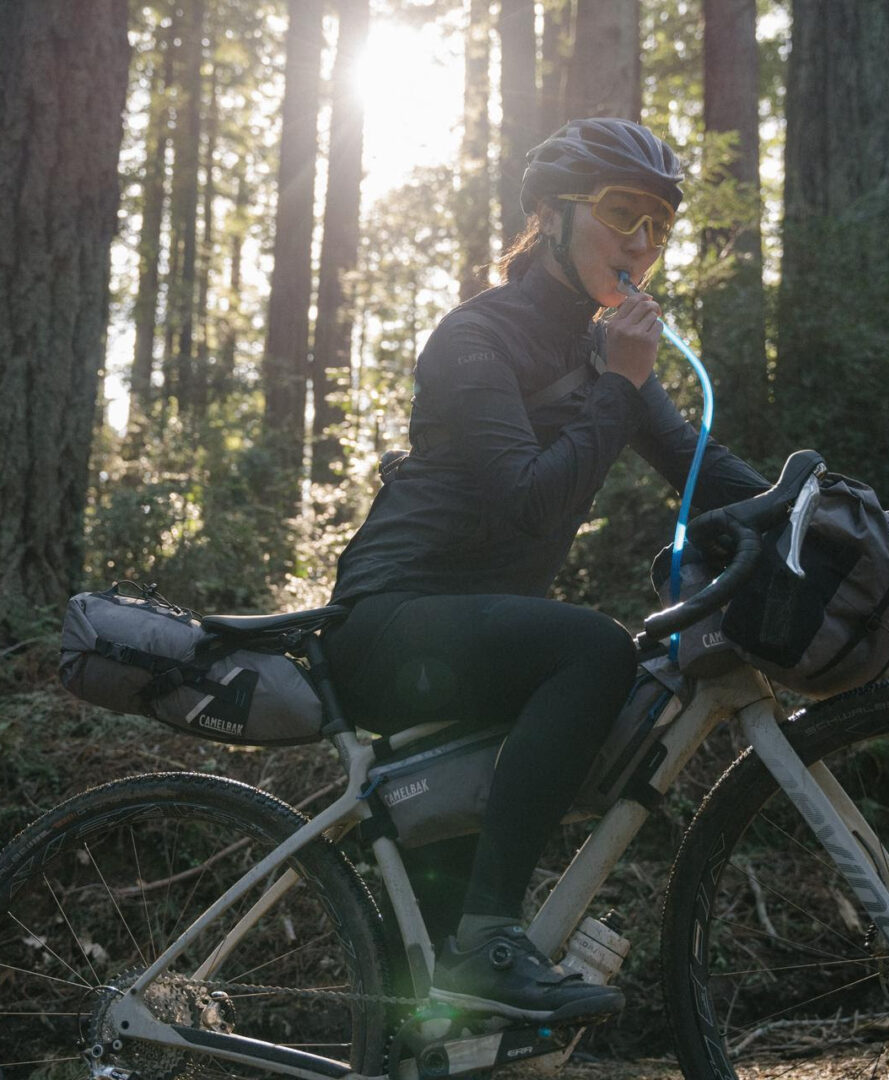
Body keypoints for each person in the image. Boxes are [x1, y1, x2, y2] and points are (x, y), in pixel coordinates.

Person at [322, 117, 767, 1024]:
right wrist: (619, 385)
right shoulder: (477, 337)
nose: (641, 243)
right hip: (387, 622)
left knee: (438, 1016)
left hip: (470, 641)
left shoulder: (604, 353)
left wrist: (813, 506)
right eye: (620, 214)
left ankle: (458, 978)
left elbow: (700, 467)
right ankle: (491, 937)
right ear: (552, 217)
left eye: (658, 225)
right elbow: (526, 498)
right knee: (596, 652)